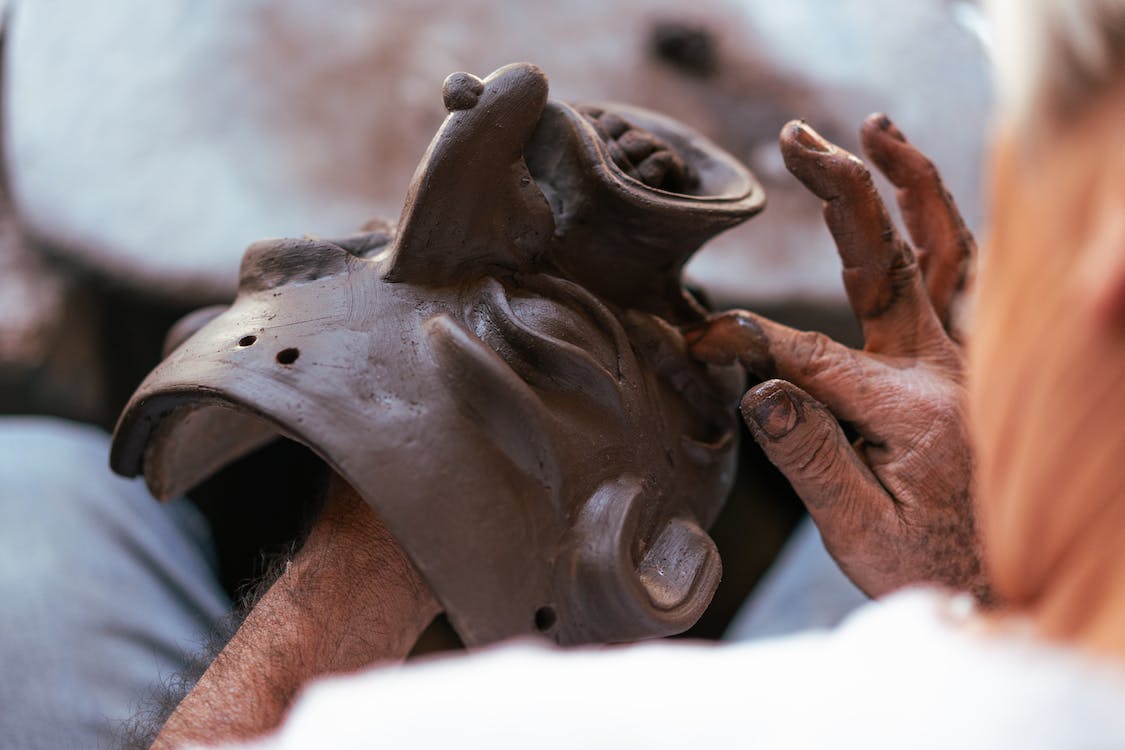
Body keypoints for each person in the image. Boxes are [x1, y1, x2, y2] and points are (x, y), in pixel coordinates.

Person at [5, 0, 1125, 746]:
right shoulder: (1045, 673)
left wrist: (396, 518)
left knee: (30, 496)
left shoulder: (440, 727)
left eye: (1018, 232)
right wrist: (991, 568)